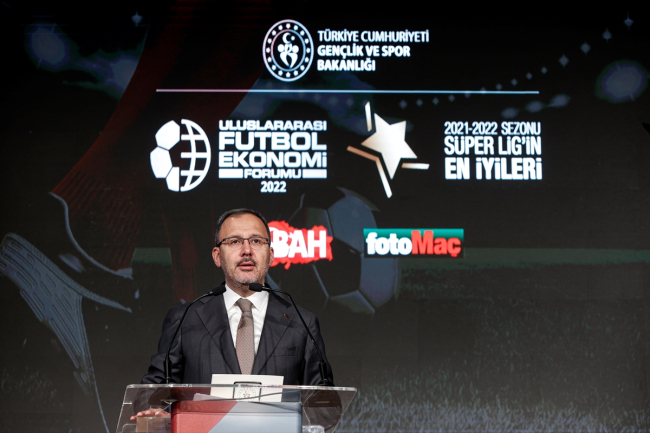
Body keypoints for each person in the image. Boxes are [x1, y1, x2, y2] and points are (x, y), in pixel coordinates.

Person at [132, 208, 333, 418]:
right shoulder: (184, 319)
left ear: (271, 255)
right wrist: (160, 414)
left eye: (256, 241)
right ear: (217, 256)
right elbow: (151, 392)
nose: (246, 250)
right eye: (234, 241)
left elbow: (323, 404)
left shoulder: (302, 322)